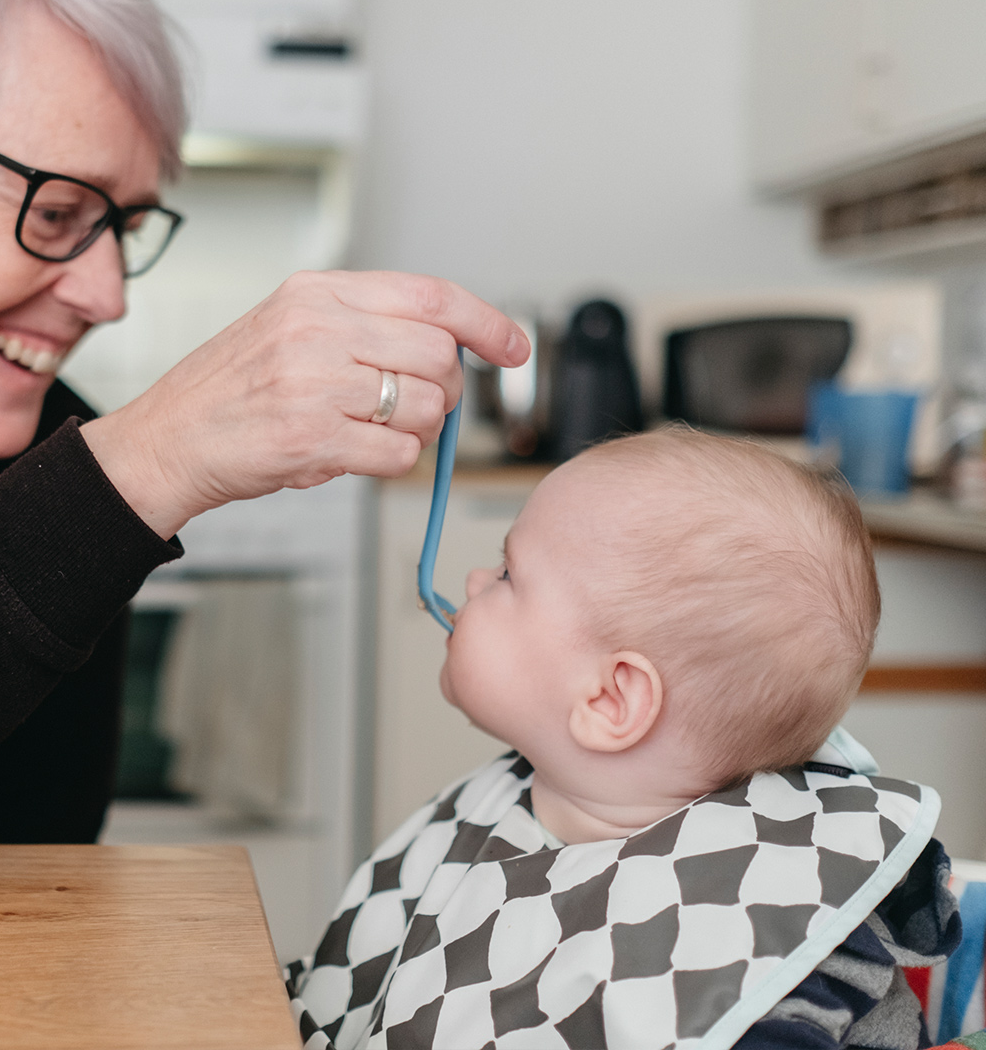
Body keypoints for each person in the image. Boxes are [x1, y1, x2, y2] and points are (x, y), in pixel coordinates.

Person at [0, 0, 528, 843]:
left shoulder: (51, 441)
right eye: (54, 214)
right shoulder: (82, 478)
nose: (106, 295)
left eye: (122, 230)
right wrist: (144, 459)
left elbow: (37, 870)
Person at [287, 427, 960, 1050]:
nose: (471, 581)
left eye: (507, 575)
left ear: (610, 701)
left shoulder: (760, 941)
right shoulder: (511, 804)